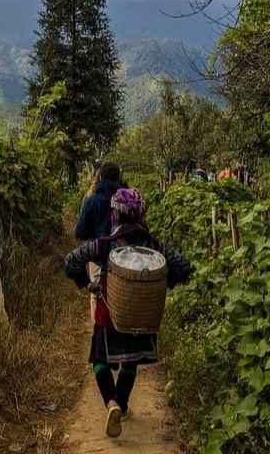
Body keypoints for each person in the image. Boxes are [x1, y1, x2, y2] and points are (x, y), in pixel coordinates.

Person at [64, 187, 193, 438]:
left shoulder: (104, 245)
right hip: (142, 315)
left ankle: (111, 403)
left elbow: (71, 262)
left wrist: (86, 284)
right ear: (141, 214)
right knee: (130, 362)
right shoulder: (155, 246)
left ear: (115, 215)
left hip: (109, 313)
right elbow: (184, 267)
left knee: (100, 362)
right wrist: (161, 285)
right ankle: (122, 404)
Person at [74, 162, 125, 241]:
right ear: (118, 178)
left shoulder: (91, 200)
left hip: (98, 249)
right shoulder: (127, 200)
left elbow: (80, 233)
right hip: (122, 250)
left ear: (100, 177)